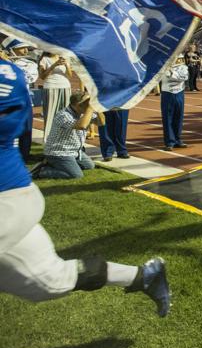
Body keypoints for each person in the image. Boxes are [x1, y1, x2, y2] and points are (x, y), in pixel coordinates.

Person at [0, 58, 171, 315]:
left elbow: (90, 124)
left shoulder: (8, 76)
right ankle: (142, 276)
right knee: (50, 281)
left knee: (80, 172)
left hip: (8, 196)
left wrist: (93, 108)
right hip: (18, 191)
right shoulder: (13, 74)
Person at [2, 39, 37, 162]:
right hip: (6, 102)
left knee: (26, 131)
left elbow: (27, 78)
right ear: (11, 49)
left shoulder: (30, 63)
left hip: (24, 101)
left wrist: (8, 63)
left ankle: (24, 155)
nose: (26, 51)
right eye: (22, 48)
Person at [38, 53, 72, 142]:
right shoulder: (44, 59)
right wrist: (54, 65)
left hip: (65, 87)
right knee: (50, 115)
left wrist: (66, 65)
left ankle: (65, 139)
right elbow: (42, 76)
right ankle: (48, 142)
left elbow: (70, 75)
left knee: (66, 114)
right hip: (51, 88)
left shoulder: (65, 57)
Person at [160, 54, 188, 151]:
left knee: (179, 117)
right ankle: (169, 142)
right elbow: (165, 76)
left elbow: (185, 76)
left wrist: (172, 74)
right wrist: (175, 75)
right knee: (168, 118)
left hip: (179, 92)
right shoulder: (164, 62)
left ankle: (177, 139)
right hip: (168, 93)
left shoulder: (182, 61)